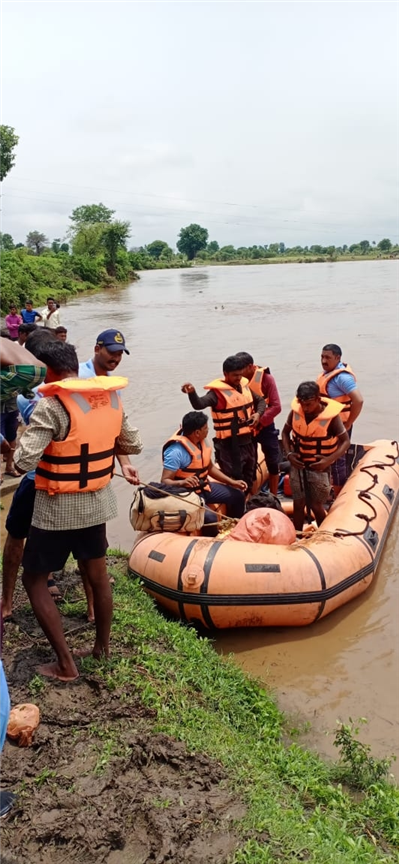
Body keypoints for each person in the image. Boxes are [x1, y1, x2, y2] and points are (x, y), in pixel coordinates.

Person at [14, 340, 142, 682]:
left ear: (47, 370)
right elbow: (133, 443)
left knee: (33, 578)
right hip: (96, 503)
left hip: (57, 508)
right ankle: (102, 648)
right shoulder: (111, 398)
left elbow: (22, 461)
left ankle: (66, 665)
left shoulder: (51, 405)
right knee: (97, 576)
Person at [181, 355, 265, 489]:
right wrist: (192, 393)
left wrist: (257, 414)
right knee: (235, 478)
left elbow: (260, 401)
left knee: (250, 476)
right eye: (234, 375)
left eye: (240, 375)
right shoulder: (216, 394)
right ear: (225, 374)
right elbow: (199, 404)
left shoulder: (244, 386)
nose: (238, 378)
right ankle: (236, 505)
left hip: (248, 441)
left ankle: (248, 502)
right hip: (229, 446)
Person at [162, 412, 247, 533]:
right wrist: (182, 482)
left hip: (204, 488)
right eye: (206, 428)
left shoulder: (201, 442)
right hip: (188, 495)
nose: (208, 430)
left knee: (238, 496)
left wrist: (232, 482)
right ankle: (211, 543)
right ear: (197, 432)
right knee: (210, 518)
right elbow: (165, 481)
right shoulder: (176, 452)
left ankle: (235, 530)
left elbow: (210, 467)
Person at [282, 381, 350, 531]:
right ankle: (297, 536)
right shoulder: (296, 412)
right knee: (298, 504)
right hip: (298, 466)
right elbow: (285, 433)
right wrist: (289, 454)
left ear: (318, 400)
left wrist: (328, 460)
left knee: (316, 505)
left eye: (309, 404)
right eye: (302, 404)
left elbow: (345, 442)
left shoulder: (331, 417)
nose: (305, 408)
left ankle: (324, 534)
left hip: (319, 468)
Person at [317, 343, 364, 497]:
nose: (324, 360)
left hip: (339, 426)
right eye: (322, 357)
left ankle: (338, 496)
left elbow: (358, 400)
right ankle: (330, 488)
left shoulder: (342, 378)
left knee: (338, 460)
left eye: (328, 357)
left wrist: (349, 422)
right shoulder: (326, 374)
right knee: (327, 457)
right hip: (326, 425)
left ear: (337, 358)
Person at [235, 351, 282, 495]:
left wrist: (259, 420)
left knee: (273, 462)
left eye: (240, 370)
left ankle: (274, 496)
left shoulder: (267, 379)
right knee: (250, 465)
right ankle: (253, 497)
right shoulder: (237, 382)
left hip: (266, 426)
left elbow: (276, 406)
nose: (238, 375)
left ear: (250, 367)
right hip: (247, 429)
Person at [0, 336, 46, 400]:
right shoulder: (5, 341)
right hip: (41, 370)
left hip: (22, 371)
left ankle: (17, 391)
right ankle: (22, 390)